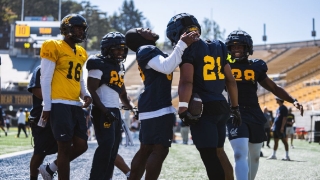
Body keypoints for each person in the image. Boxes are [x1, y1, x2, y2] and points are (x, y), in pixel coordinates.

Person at [167, 13, 241, 180]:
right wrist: (235, 107)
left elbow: (187, 81)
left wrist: (183, 108)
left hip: (204, 109)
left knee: (209, 157)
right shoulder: (218, 45)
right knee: (219, 152)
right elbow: (231, 80)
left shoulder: (189, 48)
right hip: (221, 105)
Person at [225, 30, 304, 180]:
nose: (236, 50)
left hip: (254, 113)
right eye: (233, 47)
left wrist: (293, 100)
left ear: (247, 48)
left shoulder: (256, 66)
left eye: (239, 47)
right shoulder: (225, 66)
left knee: (254, 156)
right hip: (235, 112)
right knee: (239, 153)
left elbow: (274, 88)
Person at [125, 24, 198, 180]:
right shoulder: (146, 49)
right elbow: (166, 67)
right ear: (139, 38)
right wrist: (182, 44)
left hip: (153, 105)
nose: (147, 28)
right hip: (156, 105)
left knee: (146, 149)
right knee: (159, 150)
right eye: (142, 30)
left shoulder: (148, 50)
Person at [39, 13, 92, 180]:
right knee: (63, 147)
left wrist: (85, 94)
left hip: (75, 104)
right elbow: (45, 78)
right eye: (77, 28)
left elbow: (79, 78)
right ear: (67, 28)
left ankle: (50, 169)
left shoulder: (82, 52)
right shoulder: (53, 45)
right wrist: (47, 106)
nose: (80, 32)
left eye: (83, 29)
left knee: (81, 145)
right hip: (58, 103)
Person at [86, 32, 136, 180]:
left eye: (123, 49)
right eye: (117, 49)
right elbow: (92, 90)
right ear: (107, 49)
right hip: (103, 110)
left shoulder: (119, 66)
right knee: (106, 146)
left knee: (113, 149)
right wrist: (105, 111)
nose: (121, 52)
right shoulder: (97, 63)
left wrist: (133, 110)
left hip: (114, 110)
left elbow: (123, 94)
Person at [27, 65, 58, 180]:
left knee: (70, 146)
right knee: (40, 152)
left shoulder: (62, 67)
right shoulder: (42, 68)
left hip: (60, 114)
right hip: (42, 115)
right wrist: (55, 99)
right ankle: (33, 178)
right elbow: (36, 89)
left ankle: (50, 169)